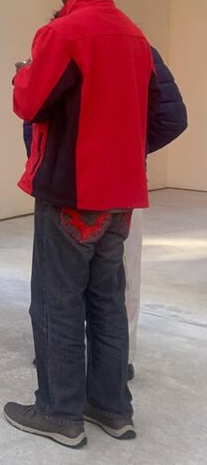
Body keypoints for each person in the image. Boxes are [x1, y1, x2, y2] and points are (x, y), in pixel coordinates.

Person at [4, 0, 175, 448]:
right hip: (119, 198)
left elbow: (29, 100)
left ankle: (60, 413)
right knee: (106, 301)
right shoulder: (136, 37)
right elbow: (165, 115)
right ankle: (111, 407)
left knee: (56, 302)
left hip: (70, 195)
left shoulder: (62, 33)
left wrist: (21, 73)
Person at [22, 46, 187, 382]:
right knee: (116, 284)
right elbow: (172, 118)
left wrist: (51, 162)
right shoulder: (138, 47)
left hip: (71, 188)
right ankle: (113, 375)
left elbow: (33, 115)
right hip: (120, 185)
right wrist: (125, 153)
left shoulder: (61, 43)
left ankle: (63, 372)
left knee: (61, 287)